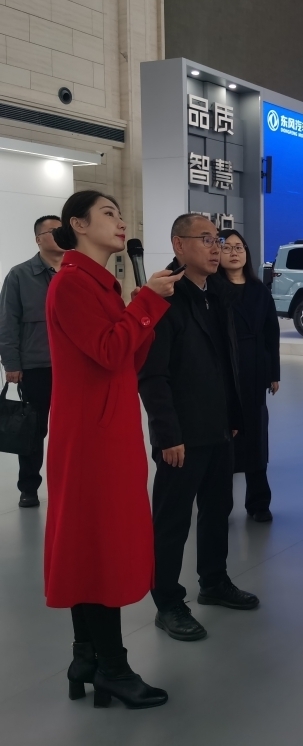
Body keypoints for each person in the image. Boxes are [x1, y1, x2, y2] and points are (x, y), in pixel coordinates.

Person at [45, 190, 180, 709]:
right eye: (108, 214)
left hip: (107, 428)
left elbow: (126, 354)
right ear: (77, 224)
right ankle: (113, 667)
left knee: (89, 542)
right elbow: (106, 351)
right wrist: (145, 304)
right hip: (92, 437)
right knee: (99, 545)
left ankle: (87, 656)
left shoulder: (99, 283)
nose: (121, 222)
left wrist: (145, 308)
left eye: (121, 214)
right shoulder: (72, 284)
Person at [139, 214, 258, 643]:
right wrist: (167, 435)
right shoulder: (165, 298)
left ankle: (214, 581)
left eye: (218, 239)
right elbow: (152, 375)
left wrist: (233, 418)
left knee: (217, 508)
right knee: (172, 520)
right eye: (205, 239)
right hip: (182, 435)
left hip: (219, 427)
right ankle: (168, 602)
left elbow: (227, 363)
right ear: (178, 245)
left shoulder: (217, 294)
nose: (215, 248)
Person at [0, 215, 64, 508]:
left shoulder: (76, 272)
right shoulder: (20, 275)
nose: (60, 235)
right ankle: (28, 487)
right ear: (38, 239)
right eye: (53, 231)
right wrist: (12, 363)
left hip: (72, 368)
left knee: (71, 430)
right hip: (37, 366)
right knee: (34, 429)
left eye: (62, 230)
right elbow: (7, 322)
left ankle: (68, 485)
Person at [218, 228, 281, 523]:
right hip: (223, 369)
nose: (234, 252)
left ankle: (258, 502)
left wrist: (273, 372)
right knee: (224, 439)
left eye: (239, 247)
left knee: (256, 437)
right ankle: (219, 503)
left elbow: (271, 333)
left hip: (255, 368)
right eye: (227, 247)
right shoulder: (213, 289)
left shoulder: (259, 290)